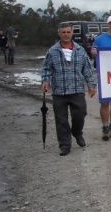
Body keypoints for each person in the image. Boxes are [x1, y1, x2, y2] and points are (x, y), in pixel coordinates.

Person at [41, 23, 96, 156]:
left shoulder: (80, 50)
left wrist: (91, 85)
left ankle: (77, 133)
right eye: (63, 32)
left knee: (80, 115)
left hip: (77, 89)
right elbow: (46, 68)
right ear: (59, 34)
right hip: (59, 91)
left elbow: (87, 69)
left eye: (68, 32)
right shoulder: (52, 51)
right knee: (61, 120)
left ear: (72, 34)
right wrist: (45, 80)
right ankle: (65, 145)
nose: (66, 34)